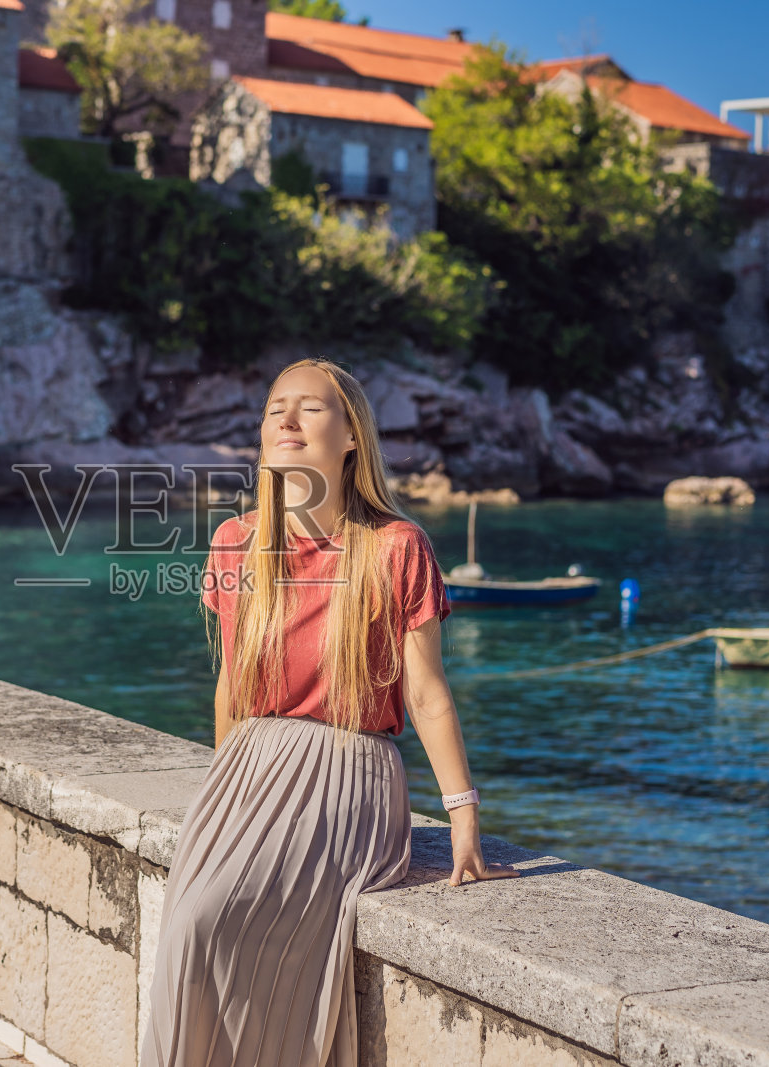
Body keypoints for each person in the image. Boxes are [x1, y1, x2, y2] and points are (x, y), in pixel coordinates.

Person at [140, 358, 519, 1067]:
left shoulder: (396, 546)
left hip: (349, 775)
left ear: (351, 436)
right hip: (250, 770)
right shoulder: (235, 543)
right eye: (275, 406)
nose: (285, 418)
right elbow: (230, 689)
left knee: (209, 918)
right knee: (189, 927)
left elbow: (428, 693)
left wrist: (464, 815)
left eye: (309, 407)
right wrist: (225, 797)